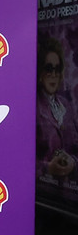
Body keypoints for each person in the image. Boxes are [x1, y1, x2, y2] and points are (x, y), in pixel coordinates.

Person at [36, 35, 78, 188]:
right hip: (42, 194)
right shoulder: (32, 107)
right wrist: (47, 168)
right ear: (40, 72)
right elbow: (17, 161)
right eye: (49, 68)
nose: (53, 74)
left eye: (57, 68)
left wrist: (72, 162)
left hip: (68, 196)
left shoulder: (66, 106)